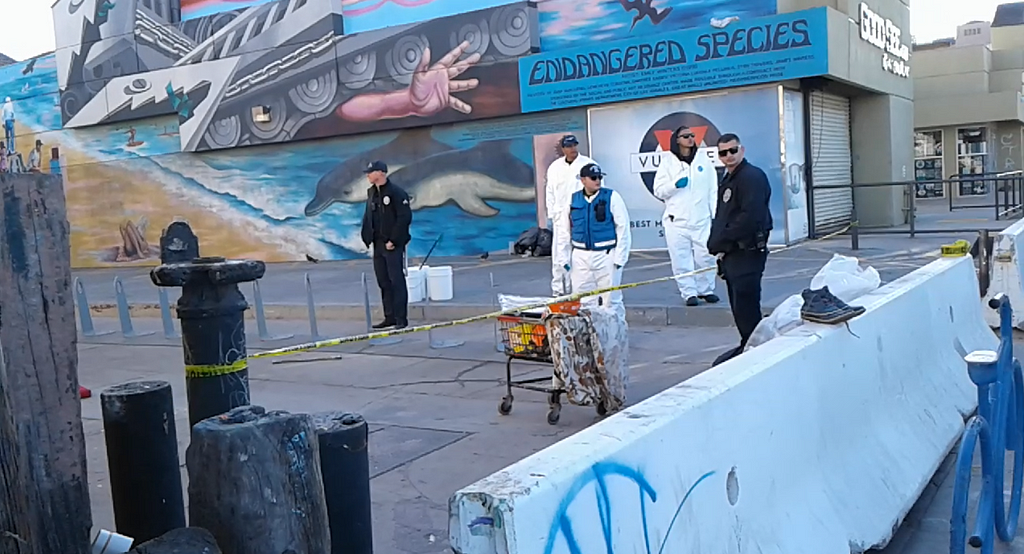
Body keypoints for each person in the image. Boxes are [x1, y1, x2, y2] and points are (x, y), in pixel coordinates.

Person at [707, 133, 773, 366]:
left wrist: (722, 239)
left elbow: (750, 218)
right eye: (723, 152)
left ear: (741, 150)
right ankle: (748, 345)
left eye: (732, 150)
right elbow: (723, 215)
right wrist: (716, 242)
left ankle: (757, 353)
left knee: (747, 306)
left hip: (748, 252)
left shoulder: (751, 177)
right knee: (738, 306)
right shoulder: (729, 178)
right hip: (733, 254)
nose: (728, 156)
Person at [653, 125, 720, 307]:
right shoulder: (667, 162)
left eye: (692, 135)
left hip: (702, 219)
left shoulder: (703, 160)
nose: (690, 139)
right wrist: (674, 185)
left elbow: (713, 189)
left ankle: (706, 289)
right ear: (676, 140)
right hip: (677, 221)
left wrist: (715, 215)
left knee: (706, 256)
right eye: (685, 136)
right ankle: (689, 293)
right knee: (681, 259)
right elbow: (658, 190)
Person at [558, 163, 632, 314]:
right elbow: (564, 231)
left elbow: (623, 228)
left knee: (610, 300)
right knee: (582, 300)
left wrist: (620, 258)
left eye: (599, 177)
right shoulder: (573, 200)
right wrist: (563, 258)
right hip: (580, 255)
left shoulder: (612, 197)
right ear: (583, 180)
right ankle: (588, 336)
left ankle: (614, 336)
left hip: (606, 254)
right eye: (593, 178)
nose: (597, 180)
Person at [360, 160, 413, 330]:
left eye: (371, 172)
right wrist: (366, 235)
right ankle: (389, 316)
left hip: (392, 245)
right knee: (383, 281)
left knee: (396, 280)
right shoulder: (371, 193)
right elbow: (369, 216)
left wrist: (394, 240)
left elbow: (404, 218)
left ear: (381, 173)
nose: (368, 175)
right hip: (378, 244)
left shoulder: (397, 193)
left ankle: (400, 318)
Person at [545, 134, 594, 296]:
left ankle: (581, 289)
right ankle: (559, 290)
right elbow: (550, 191)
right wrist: (552, 214)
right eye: (569, 146)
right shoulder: (555, 167)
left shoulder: (588, 164)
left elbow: (597, 189)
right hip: (561, 217)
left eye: (574, 145)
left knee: (582, 254)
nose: (572, 149)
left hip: (580, 216)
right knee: (560, 254)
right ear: (563, 148)